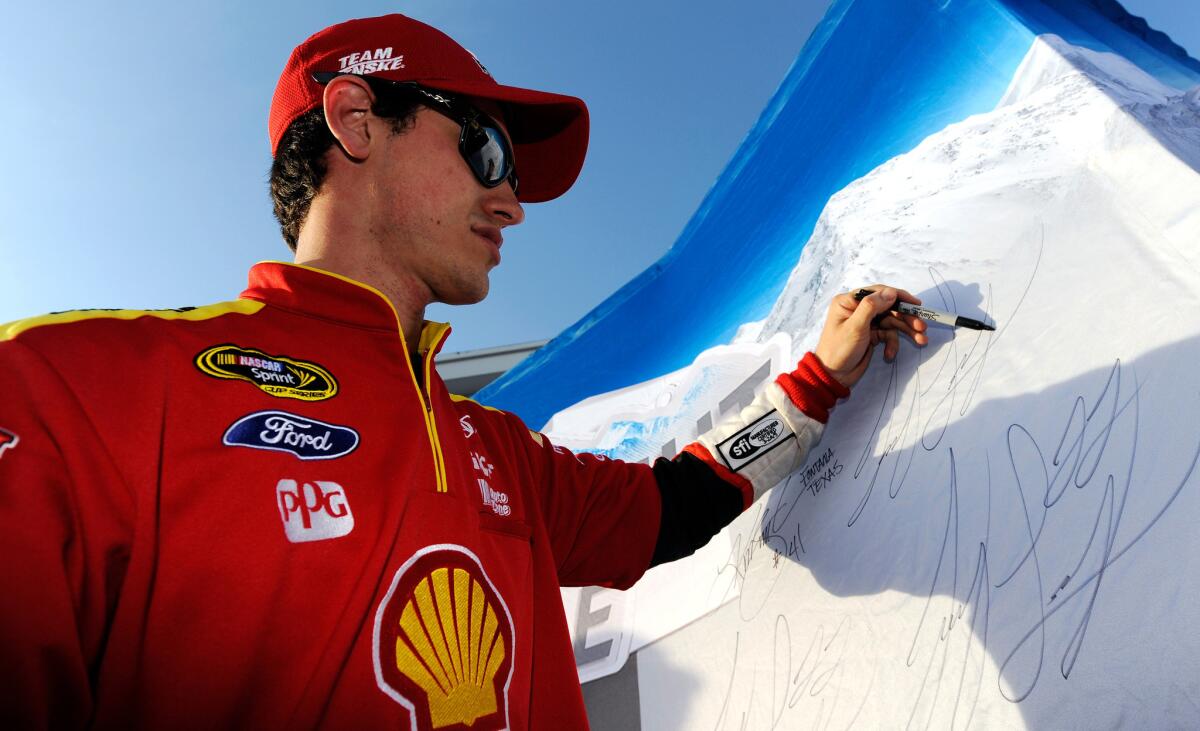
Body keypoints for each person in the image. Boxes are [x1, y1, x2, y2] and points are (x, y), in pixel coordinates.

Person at [0, 13, 927, 730]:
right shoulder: (68, 384)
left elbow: (673, 506)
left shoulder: (499, 451)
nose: (513, 204)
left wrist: (815, 382)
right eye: (486, 150)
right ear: (355, 120)